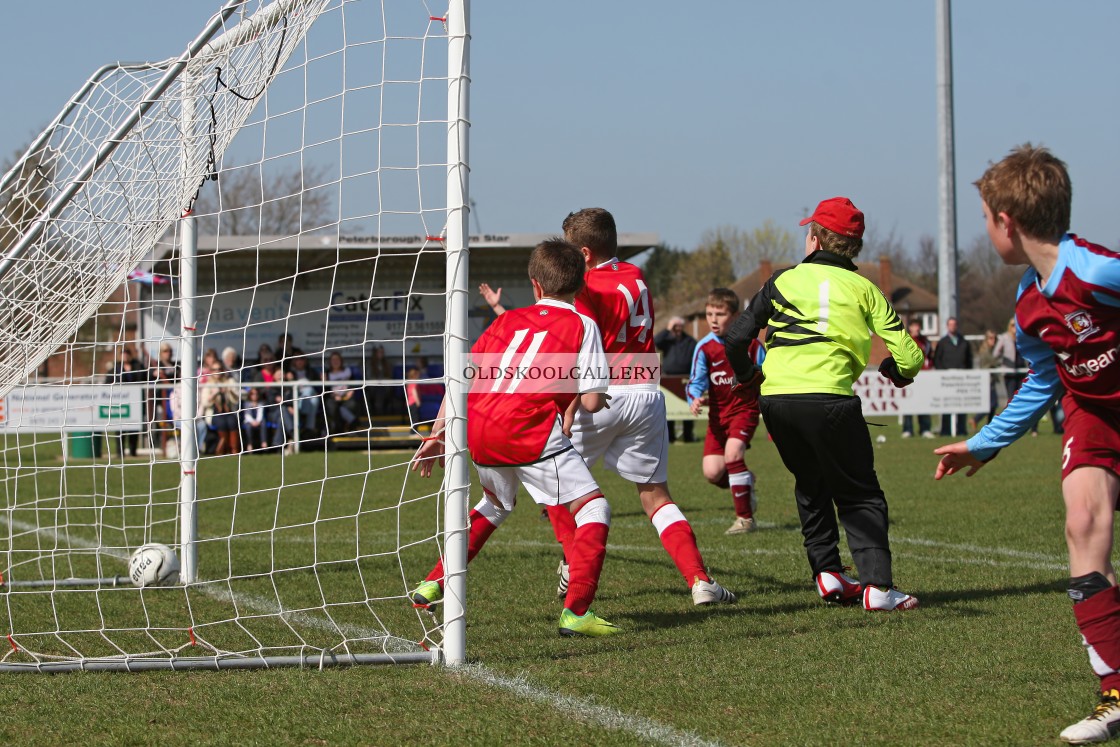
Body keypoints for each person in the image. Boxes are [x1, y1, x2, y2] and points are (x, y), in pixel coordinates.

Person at [932, 144, 1120, 744]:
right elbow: (1043, 381)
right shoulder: (1029, 303)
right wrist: (982, 445)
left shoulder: (1096, 271)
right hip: (1092, 419)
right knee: (1083, 522)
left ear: (1005, 222)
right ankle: (1114, 692)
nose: (987, 231)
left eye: (986, 219)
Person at [410, 239, 620, 636]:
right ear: (582, 284)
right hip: (526, 429)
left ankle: (433, 581)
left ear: (535, 285)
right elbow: (592, 402)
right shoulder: (582, 324)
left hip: (481, 429)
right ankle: (577, 612)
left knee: (495, 505)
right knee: (594, 510)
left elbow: (462, 381)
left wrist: (437, 434)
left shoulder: (506, 320)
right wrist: (596, 392)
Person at [725, 196, 923, 612]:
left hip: (776, 402)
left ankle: (828, 574)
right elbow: (910, 358)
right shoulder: (865, 289)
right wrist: (893, 371)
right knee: (860, 494)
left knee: (811, 484)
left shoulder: (781, 281)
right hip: (831, 400)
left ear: (814, 239)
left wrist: (748, 377)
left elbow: (735, 339)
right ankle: (878, 588)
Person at [560, 207, 735, 606]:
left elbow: (583, 347)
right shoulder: (636, 276)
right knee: (656, 496)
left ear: (584, 254)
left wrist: (568, 405)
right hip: (644, 391)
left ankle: (573, 568)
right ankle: (699, 580)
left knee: (559, 489)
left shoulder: (587, 286)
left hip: (601, 394)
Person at [687, 288, 764, 535]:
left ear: (735, 316)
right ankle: (746, 482)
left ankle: (745, 519)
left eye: (719, 314)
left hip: (745, 410)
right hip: (718, 418)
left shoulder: (751, 345)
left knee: (733, 455)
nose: (713, 319)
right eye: (709, 314)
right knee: (712, 472)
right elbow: (696, 380)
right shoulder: (704, 347)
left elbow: (766, 373)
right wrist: (695, 397)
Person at [654, 315, 698, 443]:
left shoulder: (690, 341)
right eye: (675, 326)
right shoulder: (667, 340)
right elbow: (656, 341)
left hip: (686, 378)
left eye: (680, 326)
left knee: (687, 409)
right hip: (669, 379)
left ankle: (688, 436)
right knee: (670, 410)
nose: (678, 329)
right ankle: (670, 437)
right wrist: (668, 329)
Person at [933, 317, 973, 436]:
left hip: (961, 379)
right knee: (946, 405)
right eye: (950, 325)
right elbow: (937, 360)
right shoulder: (943, 342)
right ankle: (945, 430)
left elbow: (969, 360)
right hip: (946, 380)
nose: (953, 327)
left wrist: (967, 373)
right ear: (947, 326)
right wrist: (943, 373)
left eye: (954, 324)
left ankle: (961, 429)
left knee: (961, 404)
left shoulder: (964, 341)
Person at [901, 320, 935, 438]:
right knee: (908, 403)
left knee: (924, 403)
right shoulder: (904, 340)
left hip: (924, 377)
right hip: (909, 376)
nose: (916, 329)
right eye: (914, 326)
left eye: (918, 326)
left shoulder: (925, 341)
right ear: (910, 328)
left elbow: (930, 356)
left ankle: (925, 428)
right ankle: (907, 429)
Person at [112, 346, 147, 458]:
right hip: (120, 401)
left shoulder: (137, 366)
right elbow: (108, 382)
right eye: (122, 353)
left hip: (135, 402)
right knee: (119, 428)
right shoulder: (115, 368)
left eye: (127, 352)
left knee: (134, 427)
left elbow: (144, 377)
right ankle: (120, 452)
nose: (125, 355)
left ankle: (133, 451)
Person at [323, 352, 359, 435]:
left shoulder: (347, 371)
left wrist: (350, 391)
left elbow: (353, 384)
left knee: (352, 404)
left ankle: (344, 428)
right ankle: (352, 423)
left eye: (337, 359)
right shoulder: (327, 373)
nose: (335, 362)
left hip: (346, 397)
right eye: (333, 360)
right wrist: (334, 395)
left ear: (341, 361)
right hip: (333, 397)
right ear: (330, 362)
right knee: (332, 406)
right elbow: (326, 390)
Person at [975, 329, 1001, 427]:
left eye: (995, 338)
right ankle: (976, 419)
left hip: (991, 380)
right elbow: (992, 363)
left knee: (993, 404)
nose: (993, 340)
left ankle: (989, 424)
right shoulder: (985, 351)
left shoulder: (992, 350)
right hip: (986, 381)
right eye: (990, 338)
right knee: (992, 404)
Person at [241, 386, 267, 451]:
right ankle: (250, 444)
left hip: (258, 421)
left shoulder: (261, 403)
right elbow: (247, 415)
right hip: (249, 421)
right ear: (250, 395)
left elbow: (260, 414)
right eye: (253, 394)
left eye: (256, 394)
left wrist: (257, 421)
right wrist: (252, 422)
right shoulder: (246, 404)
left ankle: (264, 443)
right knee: (248, 426)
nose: (254, 396)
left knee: (263, 423)